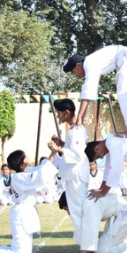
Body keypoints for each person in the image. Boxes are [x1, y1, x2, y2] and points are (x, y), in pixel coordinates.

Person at [0, 145, 59, 253]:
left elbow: (41, 170)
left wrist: (53, 153)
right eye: (25, 156)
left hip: (25, 213)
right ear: (22, 164)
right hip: (21, 215)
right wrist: (53, 154)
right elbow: (40, 176)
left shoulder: (25, 173)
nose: (27, 156)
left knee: (22, 252)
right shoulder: (19, 178)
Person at [64, 45, 127, 138]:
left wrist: (79, 118)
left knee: (125, 94)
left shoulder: (89, 64)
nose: (74, 75)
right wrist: (81, 120)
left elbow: (88, 90)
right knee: (124, 95)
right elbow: (87, 92)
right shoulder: (92, 62)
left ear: (78, 65)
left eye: (73, 72)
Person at [52, 98, 90, 244]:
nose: (58, 116)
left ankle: (85, 248)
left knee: (78, 211)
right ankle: (85, 245)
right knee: (77, 211)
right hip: (75, 176)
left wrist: (58, 149)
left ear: (67, 113)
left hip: (77, 177)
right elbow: (72, 151)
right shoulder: (74, 130)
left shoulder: (75, 131)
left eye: (59, 113)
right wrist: (61, 144)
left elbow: (77, 155)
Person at [62, 191, 127, 253]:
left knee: (100, 252)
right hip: (117, 217)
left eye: (67, 209)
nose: (68, 213)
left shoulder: (89, 203)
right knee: (98, 249)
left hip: (126, 217)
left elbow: (91, 229)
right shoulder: (85, 200)